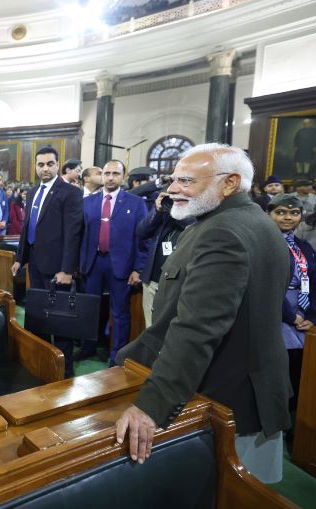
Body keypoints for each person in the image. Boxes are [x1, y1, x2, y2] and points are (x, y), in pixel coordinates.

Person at [115, 144, 292, 485]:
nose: (172, 189)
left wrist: (152, 406)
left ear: (230, 183)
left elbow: (196, 329)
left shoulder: (222, 232)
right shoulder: (252, 220)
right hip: (245, 390)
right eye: (173, 179)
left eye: (186, 181)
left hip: (228, 401)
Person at [11, 146, 84, 378]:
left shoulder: (70, 192)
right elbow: (27, 227)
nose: (45, 168)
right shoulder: (33, 191)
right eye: (40, 164)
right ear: (35, 166)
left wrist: (67, 269)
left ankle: (65, 371)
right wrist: (20, 258)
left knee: (60, 320)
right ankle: (43, 365)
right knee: (40, 316)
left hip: (58, 268)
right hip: (35, 264)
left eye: (50, 164)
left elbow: (73, 233)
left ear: (57, 165)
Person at [78, 160, 147, 365]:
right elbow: (79, 235)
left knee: (120, 312)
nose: (110, 177)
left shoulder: (136, 203)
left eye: (115, 173)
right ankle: (87, 347)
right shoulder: (88, 202)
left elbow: (143, 238)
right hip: (92, 263)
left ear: (123, 177)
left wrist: (138, 268)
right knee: (89, 309)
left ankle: (117, 355)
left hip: (122, 265)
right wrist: (76, 264)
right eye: (106, 173)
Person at [267, 194, 313, 412]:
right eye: (281, 212)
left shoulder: (304, 246)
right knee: (279, 369)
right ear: (268, 214)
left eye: (294, 213)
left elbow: (314, 281)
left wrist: (311, 316)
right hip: (277, 310)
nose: (288, 217)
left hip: (303, 311)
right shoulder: (264, 244)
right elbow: (266, 285)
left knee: (301, 369)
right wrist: (290, 316)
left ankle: (295, 415)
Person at [135, 190, 193, 327]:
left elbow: (191, 225)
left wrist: (177, 208)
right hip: (152, 280)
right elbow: (141, 232)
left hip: (179, 283)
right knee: (150, 328)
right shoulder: (166, 209)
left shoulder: (198, 208)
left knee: (174, 329)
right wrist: (157, 211)